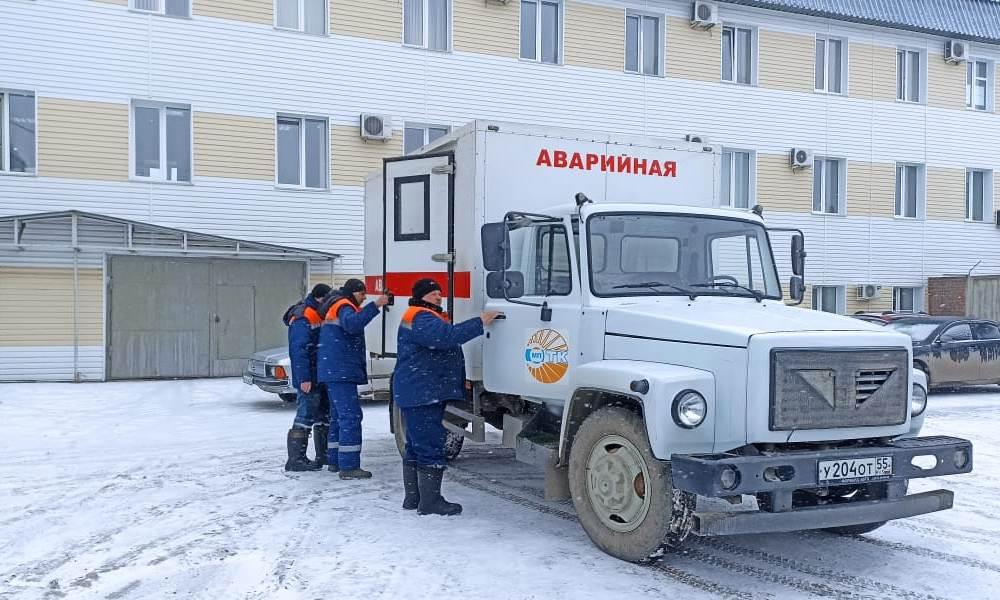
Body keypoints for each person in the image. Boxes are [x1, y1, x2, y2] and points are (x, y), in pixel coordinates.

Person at [393, 278, 501, 515]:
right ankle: (430, 502)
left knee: (416, 446)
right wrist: (479, 321)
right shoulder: (420, 317)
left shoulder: (421, 316)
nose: (438, 297)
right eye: (433, 294)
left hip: (419, 391)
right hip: (422, 394)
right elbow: (447, 337)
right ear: (422, 297)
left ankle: (414, 498)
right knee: (430, 445)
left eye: (439, 293)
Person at [317, 279, 389, 479]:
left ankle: (334, 460)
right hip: (341, 371)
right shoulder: (344, 305)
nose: (364, 297)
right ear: (352, 292)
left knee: (339, 417)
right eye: (362, 294)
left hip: (334, 371)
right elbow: (353, 325)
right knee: (350, 417)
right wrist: (376, 305)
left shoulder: (335, 304)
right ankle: (348, 466)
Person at [282, 283, 332, 472]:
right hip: (308, 376)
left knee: (321, 416)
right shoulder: (304, 316)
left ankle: (323, 454)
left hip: (317, 374)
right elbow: (299, 350)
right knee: (305, 415)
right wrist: (304, 378)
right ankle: (296, 459)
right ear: (320, 299)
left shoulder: (316, 312)